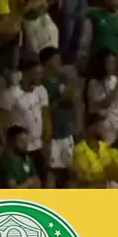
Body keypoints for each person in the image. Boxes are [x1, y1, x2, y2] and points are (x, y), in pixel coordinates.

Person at [0, 60, 51, 181]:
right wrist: (6, 145)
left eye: (41, 73)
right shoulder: (12, 94)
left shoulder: (42, 91)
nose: (40, 77)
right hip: (21, 148)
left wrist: (47, 142)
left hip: (38, 146)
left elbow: (46, 116)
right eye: (36, 74)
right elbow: (0, 121)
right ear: (26, 74)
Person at [40, 47, 76, 186]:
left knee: (71, 170)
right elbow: (45, 109)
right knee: (52, 172)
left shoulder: (63, 78)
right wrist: (61, 99)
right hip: (52, 133)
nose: (59, 62)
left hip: (66, 131)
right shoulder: (42, 82)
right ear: (47, 61)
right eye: (56, 59)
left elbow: (72, 101)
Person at [72, 114, 118, 188]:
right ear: (91, 128)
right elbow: (83, 181)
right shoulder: (80, 151)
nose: (105, 130)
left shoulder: (106, 147)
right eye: (102, 127)